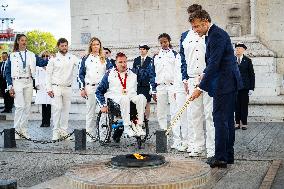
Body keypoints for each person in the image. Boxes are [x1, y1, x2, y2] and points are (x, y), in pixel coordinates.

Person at [188, 10, 243, 168]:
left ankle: (220, 157)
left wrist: (200, 87)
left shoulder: (216, 35)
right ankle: (228, 155)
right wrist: (204, 75)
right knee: (226, 120)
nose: (195, 30)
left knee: (219, 119)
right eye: (193, 27)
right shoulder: (213, 34)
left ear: (206, 21)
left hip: (224, 84)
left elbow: (215, 63)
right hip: (227, 82)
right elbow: (214, 62)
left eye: (197, 26)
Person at [180, 4, 215, 157]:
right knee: (194, 115)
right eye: (191, 15)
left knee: (210, 114)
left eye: (196, 15)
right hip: (192, 78)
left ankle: (212, 148)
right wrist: (184, 78)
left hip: (208, 77)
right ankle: (197, 145)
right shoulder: (184, 36)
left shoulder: (209, 34)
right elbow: (182, 59)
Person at [5, 34, 48, 139]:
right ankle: (16, 131)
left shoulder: (31, 54)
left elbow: (42, 62)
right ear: (18, 41)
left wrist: (52, 59)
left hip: (28, 81)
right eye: (22, 40)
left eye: (25, 40)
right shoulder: (12, 55)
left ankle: (24, 130)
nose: (24, 42)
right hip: (17, 82)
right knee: (20, 106)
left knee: (27, 107)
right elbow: (7, 71)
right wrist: (10, 86)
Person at [96, 52, 147, 137]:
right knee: (124, 98)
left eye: (125, 62)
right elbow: (99, 91)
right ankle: (127, 127)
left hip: (131, 98)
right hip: (116, 100)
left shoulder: (133, 72)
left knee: (141, 97)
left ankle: (139, 125)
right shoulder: (109, 74)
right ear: (116, 63)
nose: (123, 64)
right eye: (120, 62)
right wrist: (103, 105)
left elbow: (148, 73)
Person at [78, 37, 113, 141]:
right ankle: (90, 136)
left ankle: (103, 135)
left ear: (100, 46)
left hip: (102, 89)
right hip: (90, 88)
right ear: (90, 46)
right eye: (93, 44)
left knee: (104, 112)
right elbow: (80, 74)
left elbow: (111, 71)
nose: (96, 46)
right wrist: (82, 88)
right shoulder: (85, 58)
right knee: (90, 112)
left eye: (97, 44)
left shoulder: (105, 59)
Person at [46, 38, 79, 140]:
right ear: (58, 46)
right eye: (62, 46)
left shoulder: (72, 57)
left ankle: (63, 131)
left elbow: (82, 64)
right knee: (57, 109)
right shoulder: (53, 59)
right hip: (56, 87)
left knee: (66, 110)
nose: (64, 48)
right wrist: (48, 88)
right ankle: (55, 132)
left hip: (67, 88)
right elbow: (48, 74)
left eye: (66, 45)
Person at [150, 33, 180, 148]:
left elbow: (178, 72)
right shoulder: (156, 56)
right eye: (161, 42)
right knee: (161, 113)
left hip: (172, 86)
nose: (163, 44)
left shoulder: (175, 54)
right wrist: (153, 90)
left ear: (169, 41)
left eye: (165, 42)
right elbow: (152, 73)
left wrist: (178, 88)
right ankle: (163, 140)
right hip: (160, 86)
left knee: (174, 112)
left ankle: (177, 140)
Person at [234, 42, 255, 130]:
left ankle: (244, 123)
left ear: (243, 50)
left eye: (239, 48)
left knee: (244, 105)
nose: (237, 50)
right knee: (236, 105)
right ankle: (237, 123)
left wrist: (251, 88)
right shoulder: (232, 60)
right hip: (234, 87)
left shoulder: (248, 60)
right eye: (236, 48)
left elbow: (251, 75)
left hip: (245, 87)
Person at [132, 44, 153, 119]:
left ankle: (146, 119)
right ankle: (139, 119)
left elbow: (152, 73)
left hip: (147, 84)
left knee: (147, 102)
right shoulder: (136, 60)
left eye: (143, 49)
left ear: (147, 50)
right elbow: (133, 72)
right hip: (138, 85)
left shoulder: (150, 60)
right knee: (138, 102)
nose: (142, 50)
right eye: (140, 49)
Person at [34, 51, 52, 127]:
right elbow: (36, 77)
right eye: (44, 56)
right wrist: (37, 86)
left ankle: (48, 122)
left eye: (47, 56)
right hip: (41, 88)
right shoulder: (38, 67)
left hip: (49, 88)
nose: (45, 57)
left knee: (49, 105)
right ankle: (43, 121)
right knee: (43, 105)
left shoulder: (51, 66)